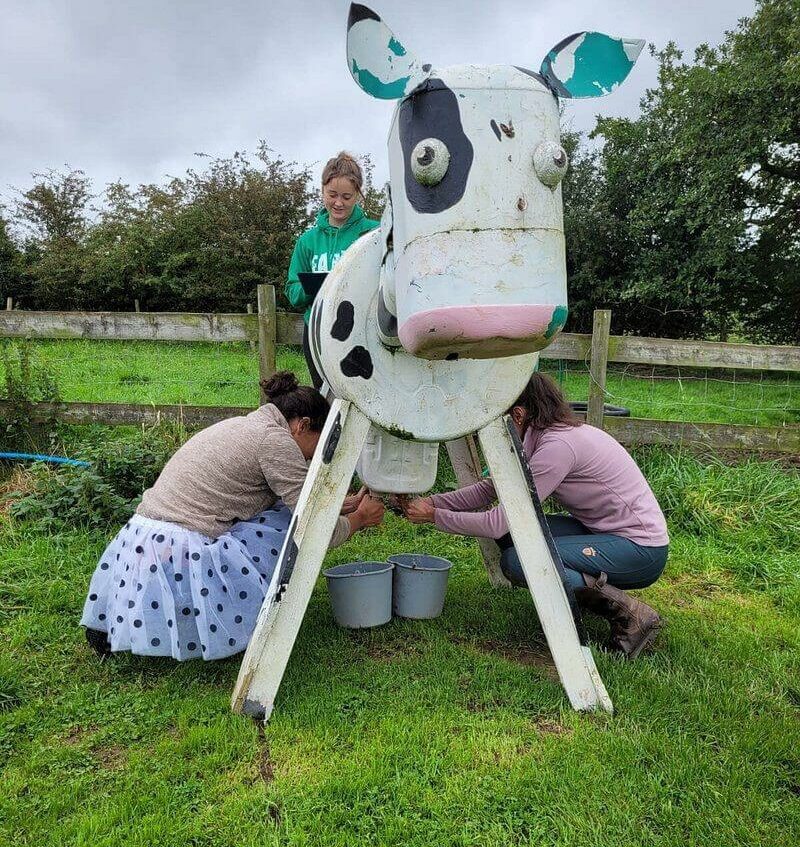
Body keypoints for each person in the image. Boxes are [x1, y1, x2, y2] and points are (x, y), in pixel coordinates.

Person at [81, 372, 384, 661]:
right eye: (317, 444)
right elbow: (313, 528)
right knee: (281, 526)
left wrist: (341, 504)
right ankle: (240, 620)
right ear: (302, 426)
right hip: (184, 541)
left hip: (144, 532)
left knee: (279, 513)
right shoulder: (275, 442)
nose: (313, 456)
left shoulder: (245, 425)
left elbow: (302, 495)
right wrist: (360, 520)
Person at [402, 373, 669, 658]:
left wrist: (433, 517)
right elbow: (487, 491)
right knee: (513, 538)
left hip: (641, 550)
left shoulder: (557, 448)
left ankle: (632, 615)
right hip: (605, 535)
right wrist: (431, 502)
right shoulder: (543, 437)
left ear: (517, 414)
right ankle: (580, 595)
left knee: (519, 561)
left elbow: (496, 523)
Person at [285, 151, 379, 388]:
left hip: (363, 332)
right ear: (322, 190)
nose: (338, 202)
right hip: (317, 333)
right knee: (324, 395)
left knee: (363, 393)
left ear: (358, 194)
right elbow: (293, 292)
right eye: (332, 194)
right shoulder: (307, 241)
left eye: (347, 196)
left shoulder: (374, 234)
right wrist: (315, 287)